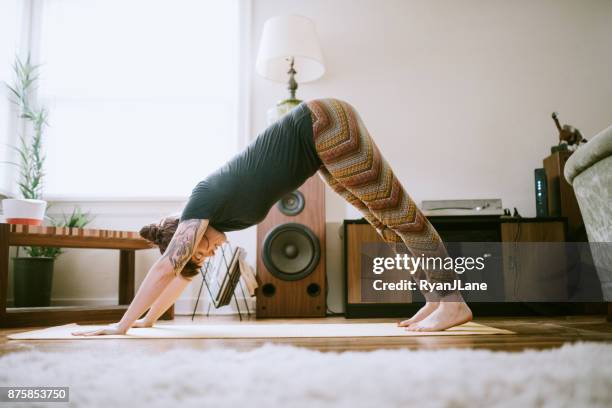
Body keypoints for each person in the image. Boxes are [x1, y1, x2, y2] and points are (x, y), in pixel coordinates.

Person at [71, 98, 472, 336]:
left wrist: (121, 324)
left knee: (401, 215)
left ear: (188, 233)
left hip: (324, 124)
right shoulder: (218, 219)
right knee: (383, 221)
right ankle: (436, 297)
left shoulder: (201, 200)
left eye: (202, 248)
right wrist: (147, 322)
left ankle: (453, 302)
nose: (210, 252)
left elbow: (166, 267)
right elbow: (178, 277)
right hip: (319, 145)